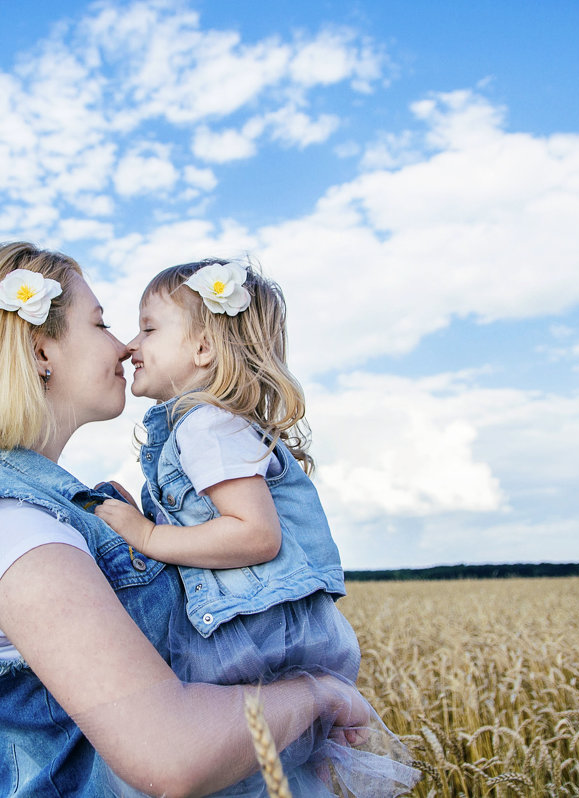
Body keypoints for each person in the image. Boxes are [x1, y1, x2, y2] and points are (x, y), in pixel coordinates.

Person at [0, 242, 399, 798]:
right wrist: (318, 694)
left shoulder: (52, 511)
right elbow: (170, 755)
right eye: (102, 322)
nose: (124, 345)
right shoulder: (9, 529)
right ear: (42, 352)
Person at [95, 258, 419, 796]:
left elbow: (254, 534)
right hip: (262, 631)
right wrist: (148, 518)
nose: (130, 346)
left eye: (149, 328)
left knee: (214, 769)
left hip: (247, 639)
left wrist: (148, 537)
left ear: (203, 349)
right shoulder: (203, 425)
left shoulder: (206, 425)